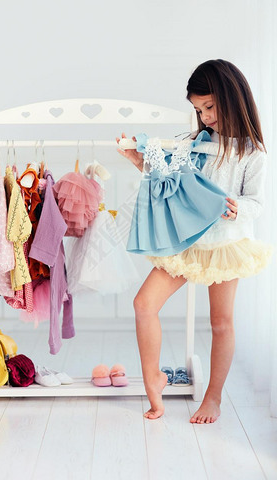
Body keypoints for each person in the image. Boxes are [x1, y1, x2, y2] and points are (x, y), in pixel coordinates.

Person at [116, 59, 272, 424]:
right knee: (143, 304)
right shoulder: (191, 143)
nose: (204, 116)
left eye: (209, 107)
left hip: (225, 245)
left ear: (232, 99)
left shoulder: (252, 152)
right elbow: (167, 179)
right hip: (187, 241)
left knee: (221, 322)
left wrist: (238, 209)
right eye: (198, 110)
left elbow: (257, 202)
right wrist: (139, 160)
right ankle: (154, 377)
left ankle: (214, 398)